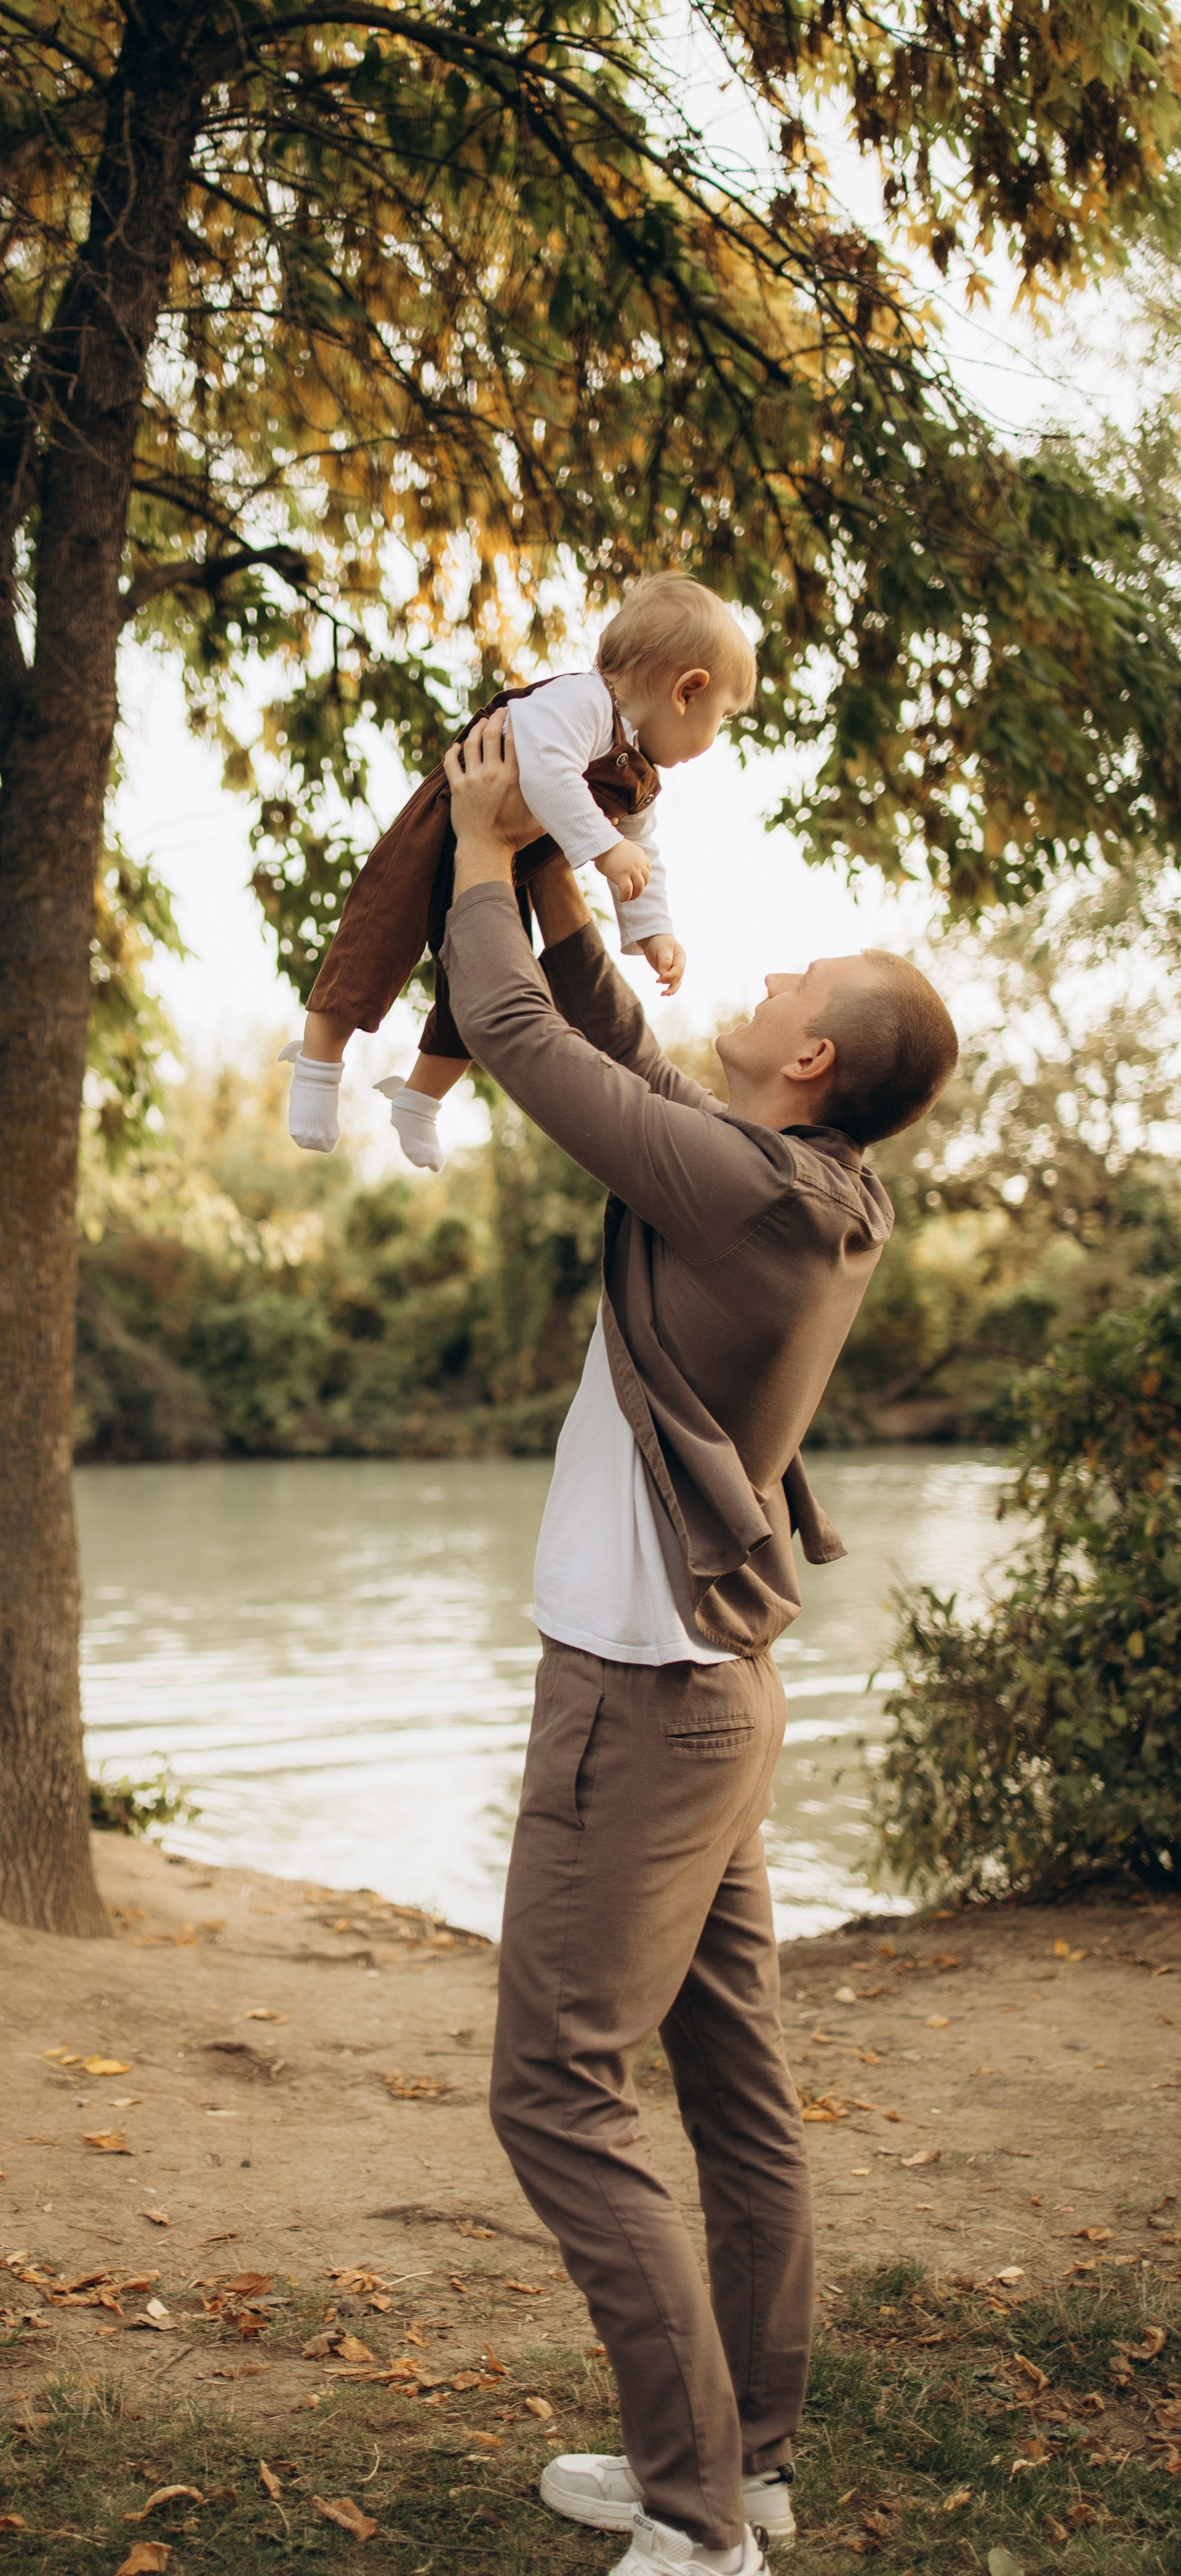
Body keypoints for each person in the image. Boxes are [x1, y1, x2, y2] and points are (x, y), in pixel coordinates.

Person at [437, 712, 958, 2575]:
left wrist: (483, 853)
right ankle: (755, 2469)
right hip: (712, 1696)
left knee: (552, 2094)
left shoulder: (742, 1189)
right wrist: (558, 875)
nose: (765, 972)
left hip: (641, 1697)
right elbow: (611, 1048)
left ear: (810, 1059)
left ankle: (696, 2518)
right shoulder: (799, 1185)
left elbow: (518, 1043)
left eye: (797, 978)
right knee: (734, 2094)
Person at [280, 574, 756, 1171]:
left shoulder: (639, 772)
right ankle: (318, 1066)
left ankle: (419, 1101)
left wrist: (653, 930)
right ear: (688, 690)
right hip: (444, 829)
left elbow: (643, 853)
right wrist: (605, 849)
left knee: (483, 983)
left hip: (506, 864)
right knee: (379, 937)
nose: (717, 734)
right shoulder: (583, 703)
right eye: (724, 716)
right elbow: (547, 772)